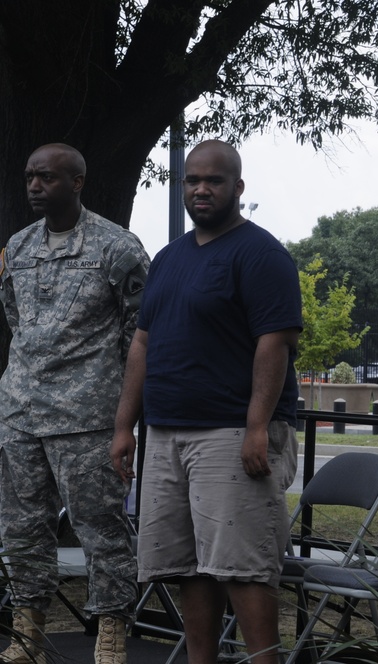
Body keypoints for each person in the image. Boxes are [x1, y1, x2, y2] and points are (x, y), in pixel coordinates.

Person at [111, 140, 302, 664]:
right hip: (167, 432)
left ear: (237, 187)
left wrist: (257, 426)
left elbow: (274, 343)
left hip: (230, 434)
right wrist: (125, 427)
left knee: (243, 566)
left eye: (213, 181)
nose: (200, 189)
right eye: (191, 180)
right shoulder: (170, 257)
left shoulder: (261, 254)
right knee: (188, 566)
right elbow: (143, 344)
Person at [0, 143, 148, 664]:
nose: (35, 186)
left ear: (78, 182)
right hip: (21, 414)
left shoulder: (116, 247)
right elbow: (17, 319)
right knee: (20, 527)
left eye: (47, 178)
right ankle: (28, 629)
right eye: (29, 177)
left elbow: (139, 334)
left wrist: (121, 413)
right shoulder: (16, 247)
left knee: (101, 528)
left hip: (87, 419)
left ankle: (110, 631)